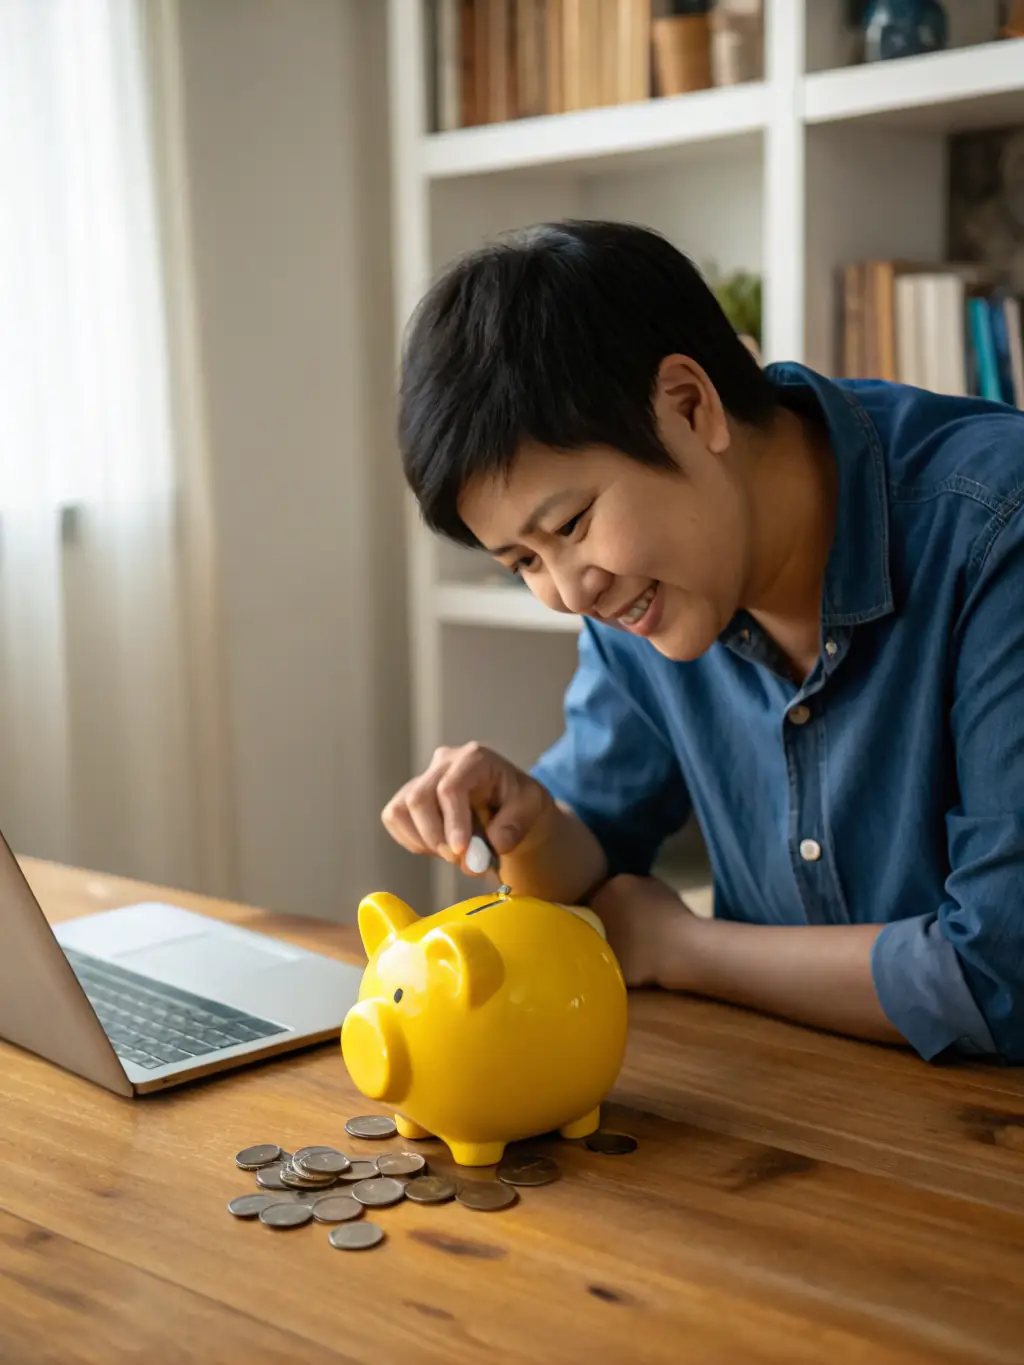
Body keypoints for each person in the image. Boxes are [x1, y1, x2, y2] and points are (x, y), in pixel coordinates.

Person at [383, 219, 1024, 1065]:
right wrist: (530, 824)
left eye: (571, 523)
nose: (569, 590)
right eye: (523, 562)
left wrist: (683, 950)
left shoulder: (995, 529)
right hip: (792, 1116)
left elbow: (999, 974)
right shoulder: (641, 598)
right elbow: (596, 853)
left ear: (690, 405)